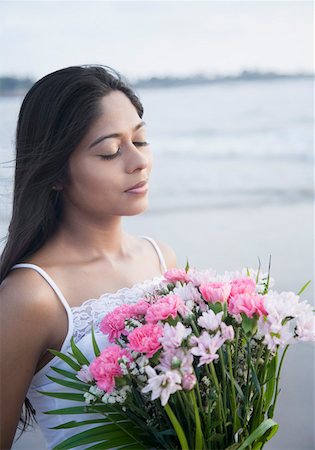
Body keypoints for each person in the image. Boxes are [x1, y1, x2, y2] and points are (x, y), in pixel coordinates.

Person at [0, 65, 177, 450]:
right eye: (110, 151)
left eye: (141, 141)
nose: (138, 161)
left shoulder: (161, 260)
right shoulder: (31, 297)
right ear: (55, 172)